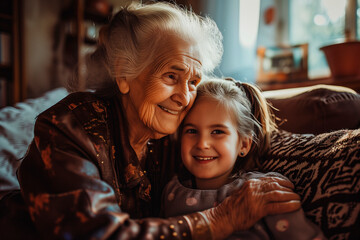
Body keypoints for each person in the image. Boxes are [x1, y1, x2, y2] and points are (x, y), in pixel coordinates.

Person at [0, 2, 301, 240]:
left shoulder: (181, 133)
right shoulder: (69, 126)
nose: (184, 97)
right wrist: (219, 220)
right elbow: (95, 233)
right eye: (171, 76)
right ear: (124, 73)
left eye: (193, 82)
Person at [162, 78, 326, 239]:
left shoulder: (265, 192)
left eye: (217, 131)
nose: (202, 143)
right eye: (192, 131)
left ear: (244, 144)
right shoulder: (171, 191)